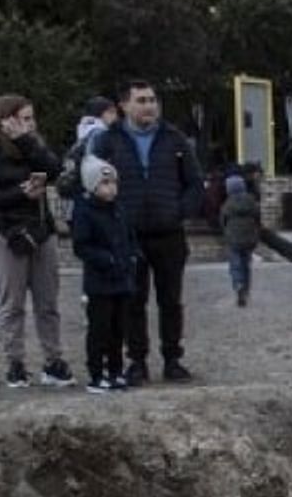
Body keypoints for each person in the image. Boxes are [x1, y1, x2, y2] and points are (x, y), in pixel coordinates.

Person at [81, 80, 203, 385]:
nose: (149, 106)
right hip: (128, 236)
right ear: (124, 105)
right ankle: (137, 361)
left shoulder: (174, 139)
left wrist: (179, 211)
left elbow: (194, 184)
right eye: (142, 100)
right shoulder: (108, 141)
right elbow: (91, 181)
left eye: (152, 99)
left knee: (171, 301)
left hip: (169, 233)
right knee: (133, 302)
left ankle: (173, 359)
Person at [0, 93, 70, 390]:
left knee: (48, 301)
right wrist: (18, 194)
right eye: (24, 118)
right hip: (4, 234)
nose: (30, 123)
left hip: (40, 230)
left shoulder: (33, 144)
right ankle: (15, 363)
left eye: (32, 117)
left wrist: (26, 140)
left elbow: (54, 169)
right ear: (4, 118)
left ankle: (53, 361)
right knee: (12, 303)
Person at [68, 155, 138, 395]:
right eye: (105, 183)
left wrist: (132, 257)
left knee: (119, 330)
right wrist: (105, 260)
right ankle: (96, 374)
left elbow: (129, 236)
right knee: (100, 330)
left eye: (113, 183)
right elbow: (82, 245)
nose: (111, 188)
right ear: (92, 185)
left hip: (122, 280)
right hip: (100, 282)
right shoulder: (85, 212)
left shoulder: (119, 209)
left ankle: (116, 371)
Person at [220, 172, 261, 306]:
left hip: (233, 239)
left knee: (235, 264)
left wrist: (225, 232)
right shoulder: (251, 200)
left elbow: (223, 220)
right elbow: (257, 216)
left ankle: (238, 285)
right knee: (246, 264)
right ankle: (247, 289)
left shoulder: (228, 204)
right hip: (249, 238)